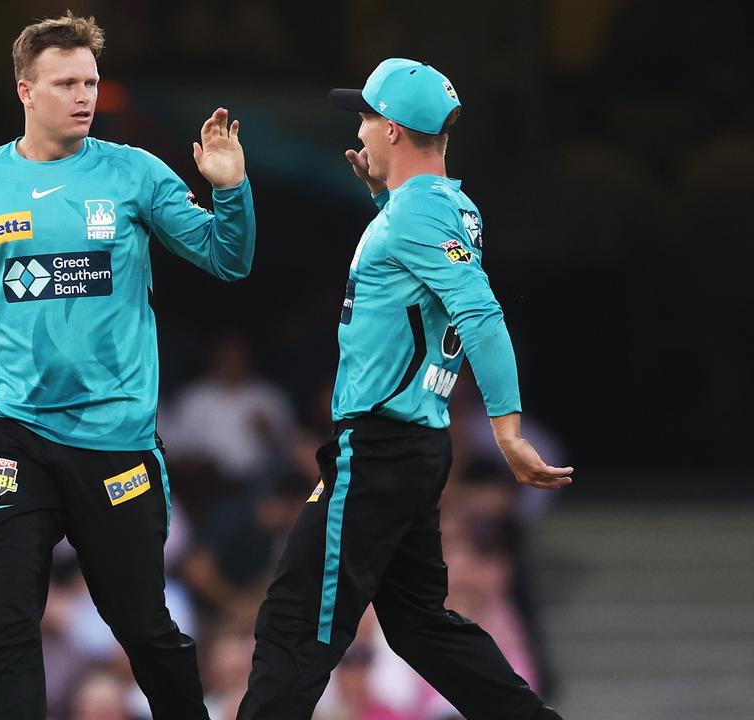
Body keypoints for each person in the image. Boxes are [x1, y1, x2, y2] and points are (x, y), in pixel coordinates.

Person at [0, 11, 254, 720]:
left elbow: (228, 258)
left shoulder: (134, 174)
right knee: (3, 627)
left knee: (144, 631)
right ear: (25, 91)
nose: (84, 95)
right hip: (14, 432)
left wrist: (230, 188)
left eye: (91, 81)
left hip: (115, 440)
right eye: (66, 82)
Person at [236, 58, 570, 720]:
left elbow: (480, 313)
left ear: (391, 129)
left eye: (363, 117)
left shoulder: (419, 214)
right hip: (409, 447)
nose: (356, 130)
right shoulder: (442, 206)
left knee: (294, 621)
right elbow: (421, 279)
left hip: (381, 447)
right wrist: (384, 198)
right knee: (420, 627)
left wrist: (506, 431)